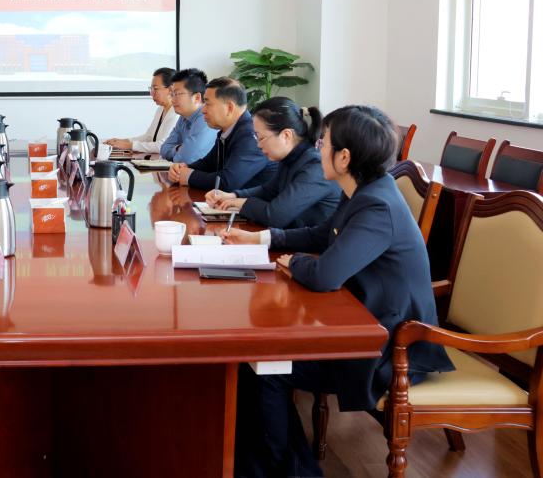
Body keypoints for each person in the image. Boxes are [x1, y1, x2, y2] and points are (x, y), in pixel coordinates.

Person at [223, 105, 454, 478]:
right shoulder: (364, 190)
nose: (317, 150)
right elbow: (321, 234)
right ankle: (272, 465)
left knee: (265, 369)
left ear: (344, 157)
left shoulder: (376, 205)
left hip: (389, 349)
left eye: (323, 143)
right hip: (363, 324)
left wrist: (294, 262)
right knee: (256, 362)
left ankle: (290, 471)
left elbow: (326, 275)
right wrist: (264, 239)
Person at [206, 97, 340, 228]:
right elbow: (268, 191)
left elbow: (275, 216)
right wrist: (233, 196)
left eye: (261, 138)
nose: (258, 145)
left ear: (286, 135)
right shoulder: (290, 157)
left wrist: (242, 203)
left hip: (313, 242)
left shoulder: (315, 166)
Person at [168, 77, 276, 190]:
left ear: (229, 107)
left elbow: (228, 182)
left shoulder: (251, 135)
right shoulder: (228, 130)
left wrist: (189, 176)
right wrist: (182, 169)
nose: (203, 110)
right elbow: (208, 164)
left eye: (208, 104)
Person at [105, 67, 180, 153]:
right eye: (151, 89)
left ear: (170, 89)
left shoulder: (177, 113)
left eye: (155, 89)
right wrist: (123, 141)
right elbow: (148, 137)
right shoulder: (160, 110)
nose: (151, 93)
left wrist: (129, 145)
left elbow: (162, 145)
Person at [159, 68, 217, 164]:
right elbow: (164, 149)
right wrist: (178, 149)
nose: (172, 100)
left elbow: (186, 159)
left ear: (197, 97)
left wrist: (178, 152)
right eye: (172, 94)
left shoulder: (206, 118)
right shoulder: (183, 117)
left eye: (177, 94)